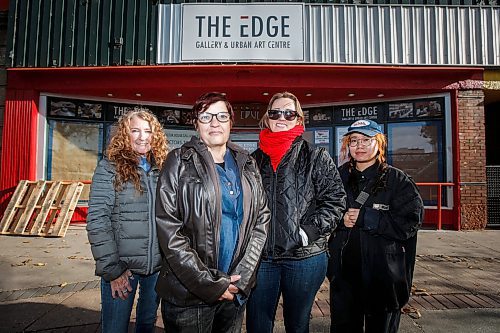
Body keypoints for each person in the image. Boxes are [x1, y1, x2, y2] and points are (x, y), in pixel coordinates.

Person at [155, 92, 270, 332]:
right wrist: (210, 284)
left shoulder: (247, 162)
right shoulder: (177, 161)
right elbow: (168, 229)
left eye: (221, 116)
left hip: (235, 288)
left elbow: (262, 219)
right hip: (190, 295)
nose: (215, 122)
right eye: (206, 116)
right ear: (196, 124)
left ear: (231, 122)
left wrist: (244, 275)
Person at [246, 91, 346, 333]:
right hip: (262, 259)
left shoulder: (316, 156)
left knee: (298, 325)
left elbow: (335, 200)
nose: (282, 117)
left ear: (298, 120)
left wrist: (307, 232)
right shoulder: (252, 160)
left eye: (289, 113)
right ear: (267, 119)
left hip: (304, 258)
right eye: (275, 112)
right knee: (257, 325)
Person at [327, 119, 424, 333]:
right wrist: (339, 220)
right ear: (347, 145)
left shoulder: (397, 180)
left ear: (379, 143)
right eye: (354, 140)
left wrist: (368, 217)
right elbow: (323, 212)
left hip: (384, 278)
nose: (359, 146)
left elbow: (410, 222)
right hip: (344, 278)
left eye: (366, 140)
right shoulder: (337, 177)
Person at [86, 110, 169, 333]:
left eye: (148, 131)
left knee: (146, 325)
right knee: (115, 328)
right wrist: (113, 270)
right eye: (135, 130)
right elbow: (97, 220)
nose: (142, 137)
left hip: (156, 267)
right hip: (122, 269)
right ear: (125, 134)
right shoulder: (109, 168)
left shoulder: (162, 168)